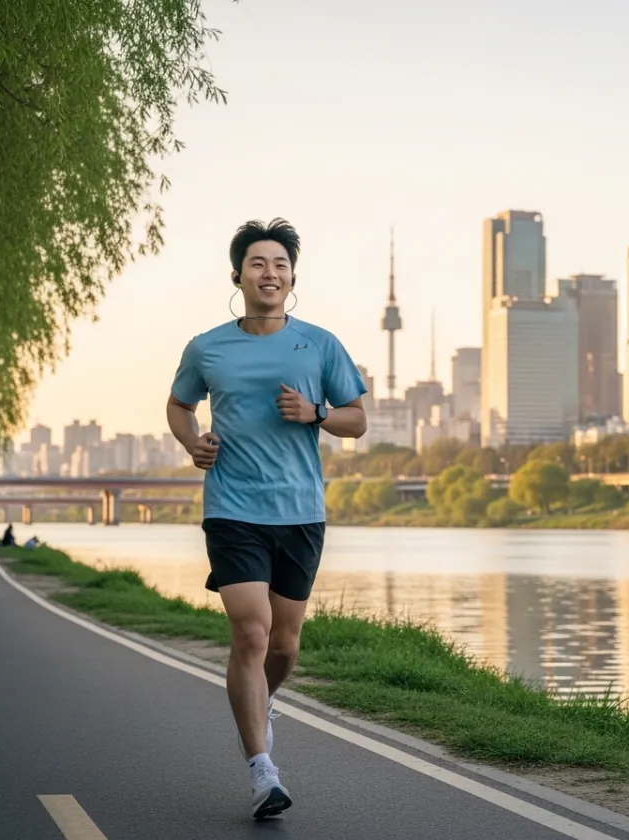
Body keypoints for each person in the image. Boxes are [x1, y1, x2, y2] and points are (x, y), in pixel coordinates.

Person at [166, 218, 367, 820]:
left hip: (300, 511)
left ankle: (257, 705)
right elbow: (179, 405)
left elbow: (356, 419)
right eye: (258, 264)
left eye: (279, 264)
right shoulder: (207, 347)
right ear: (238, 276)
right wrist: (191, 442)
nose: (269, 273)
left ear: (292, 276)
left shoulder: (319, 343)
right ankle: (262, 771)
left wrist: (315, 413)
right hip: (233, 507)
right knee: (250, 633)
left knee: (284, 643)